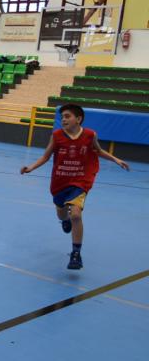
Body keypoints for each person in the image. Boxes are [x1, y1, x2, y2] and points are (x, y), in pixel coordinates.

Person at [20, 104, 129, 270]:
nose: (63, 119)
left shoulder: (90, 135)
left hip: (80, 181)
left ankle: (76, 254)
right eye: (62, 116)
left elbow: (98, 151)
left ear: (78, 119)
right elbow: (45, 156)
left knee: (76, 214)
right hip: (60, 182)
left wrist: (116, 159)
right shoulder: (57, 136)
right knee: (62, 213)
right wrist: (30, 168)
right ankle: (64, 220)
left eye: (67, 116)